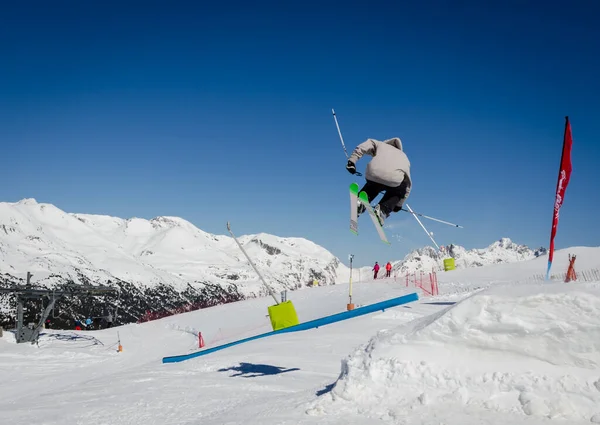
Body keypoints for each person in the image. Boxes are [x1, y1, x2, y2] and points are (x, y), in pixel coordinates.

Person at [346, 137, 412, 225]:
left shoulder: (380, 144)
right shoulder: (404, 156)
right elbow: (408, 184)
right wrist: (398, 205)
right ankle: (383, 210)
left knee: (374, 185)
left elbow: (364, 146)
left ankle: (361, 202)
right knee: (400, 189)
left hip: (373, 173)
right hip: (393, 179)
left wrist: (352, 161)